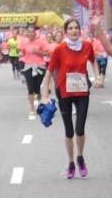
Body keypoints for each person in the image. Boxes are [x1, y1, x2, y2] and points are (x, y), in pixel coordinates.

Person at [42, 18, 98, 178]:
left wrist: (97, 77)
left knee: (80, 129)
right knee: (69, 131)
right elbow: (50, 70)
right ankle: (71, 163)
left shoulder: (87, 46)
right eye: (71, 28)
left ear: (80, 30)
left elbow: (93, 62)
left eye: (76, 28)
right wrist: (45, 94)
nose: (74, 31)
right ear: (66, 31)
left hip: (82, 91)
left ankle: (80, 157)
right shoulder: (60, 49)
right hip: (64, 91)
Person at [19, 27, 52, 118]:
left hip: (40, 66)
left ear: (35, 33)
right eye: (28, 32)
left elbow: (48, 53)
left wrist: (39, 52)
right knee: (30, 87)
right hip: (28, 66)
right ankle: (32, 108)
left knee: (37, 87)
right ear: (27, 34)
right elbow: (21, 52)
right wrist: (21, 54)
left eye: (32, 32)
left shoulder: (41, 42)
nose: (30, 34)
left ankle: (38, 94)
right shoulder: (24, 42)